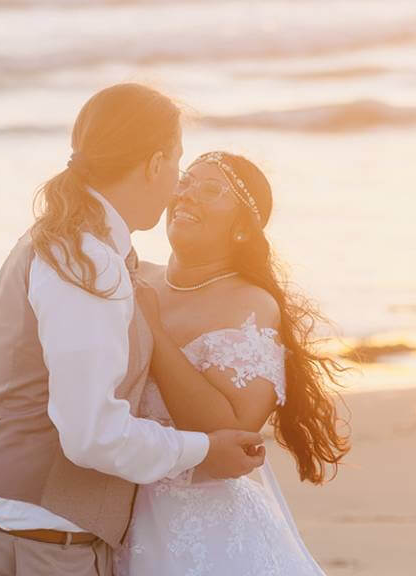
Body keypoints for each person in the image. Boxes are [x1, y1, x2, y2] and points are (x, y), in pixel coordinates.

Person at [0, 86, 266, 576]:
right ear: (154, 164)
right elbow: (92, 436)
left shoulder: (67, 242)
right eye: (177, 163)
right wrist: (203, 451)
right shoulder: (87, 261)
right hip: (31, 550)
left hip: (0, 535)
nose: (177, 185)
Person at [117, 151, 349, 575]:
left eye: (209, 190)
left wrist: (157, 336)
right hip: (109, 514)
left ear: (242, 227)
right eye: (184, 182)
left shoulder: (250, 305)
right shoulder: (131, 276)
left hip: (202, 533)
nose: (186, 196)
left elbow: (232, 433)